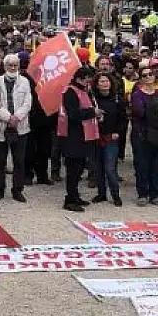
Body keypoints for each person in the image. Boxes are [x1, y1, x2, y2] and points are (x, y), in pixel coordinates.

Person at [0, 54, 31, 203]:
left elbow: (27, 103)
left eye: (15, 65)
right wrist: (8, 117)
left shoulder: (25, 82)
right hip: (2, 126)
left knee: (19, 160)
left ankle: (17, 190)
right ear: (5, 66)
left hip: (21, 127)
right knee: (0, 161)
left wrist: (17, 117)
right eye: (10, 65)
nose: (12, 68)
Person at [59, 67, 100, 212]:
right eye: (88, 78)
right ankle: (69, 199)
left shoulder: (84, 91)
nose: (90, 81)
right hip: (73, 136)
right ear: (79, 78)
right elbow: (74, 114)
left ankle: (75, 195)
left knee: (80, 166)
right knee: (73, 169)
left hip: (83, 135)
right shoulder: (70, 91)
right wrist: (92, 112)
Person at [130, 65, 158, 206]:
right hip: (141, 134)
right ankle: (143, 193)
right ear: (140, 79)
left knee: (157, 165)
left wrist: (153, 112)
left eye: (150, 74)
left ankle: (156, 193)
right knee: (142, 164)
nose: (148, 77)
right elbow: (140, 112)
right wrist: (156, 112)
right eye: (145, 75)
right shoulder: (137, 95)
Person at [92, 73, 126, 206]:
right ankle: (101, 194)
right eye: (102, 81)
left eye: (106, 81)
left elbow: (123, 119)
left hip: (111, 137)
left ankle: (115, 194)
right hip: (96, 137)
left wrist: (117, 132)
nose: (105, 83)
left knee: (110, 168)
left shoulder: (117, 99)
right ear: (97, 84)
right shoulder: (93, 100)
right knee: (98, 167)